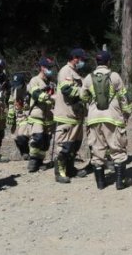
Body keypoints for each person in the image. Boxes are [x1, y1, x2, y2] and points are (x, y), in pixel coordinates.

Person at [81, 51, 131, 189]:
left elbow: (83, 97)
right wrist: (127, 112)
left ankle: (101, 183)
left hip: (94, 119)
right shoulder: (114, 76)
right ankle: (120, 182)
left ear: (97, 63)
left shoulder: (88, 78)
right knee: (117, 149)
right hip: (112, 118)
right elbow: (124, 96)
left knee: (97, 151)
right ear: (108, 62)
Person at [53, 49, 88, 183]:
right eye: (82, 59)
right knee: (64, 145)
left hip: (76, 116)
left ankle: (70, 168)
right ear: (75, 58)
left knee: (74, 145)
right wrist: (83, 93)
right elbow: (66, 90)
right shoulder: (65, 71)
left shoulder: (75, 72)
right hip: (66, 115)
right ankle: (59, 172)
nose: (83, 62)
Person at [26, 57, 56, 173]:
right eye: (48, 67)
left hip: (49, 116)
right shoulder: (35, 80)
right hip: (37, 115)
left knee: (45, 140)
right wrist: (49, 96)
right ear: (42, 68)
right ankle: (33, 160)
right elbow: (36, 94)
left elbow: (56, 96)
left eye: (51, 68)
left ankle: (40, 161)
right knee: (37, 138)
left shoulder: (52, 82)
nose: (50, 70)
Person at [7, 72, 31, 160]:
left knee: (22, 135)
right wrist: (10, 113)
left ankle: (26, 152)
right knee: (15, 137)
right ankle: (23, 152)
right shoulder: (13, 89)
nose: (16, 86)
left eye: (18, 84)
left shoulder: (29, 89)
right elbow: (11, 102)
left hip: (26, 116)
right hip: (16, 116)